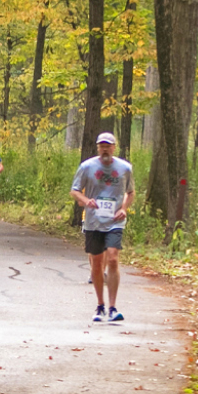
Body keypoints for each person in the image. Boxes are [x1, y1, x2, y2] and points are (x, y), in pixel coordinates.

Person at [70, 132, 135, 323]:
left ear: (114, 148)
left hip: (115, 220)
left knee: (113, 258)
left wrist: (124, 208)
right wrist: (85, 200)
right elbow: (74, 191)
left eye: (108, 146)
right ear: (98, 148)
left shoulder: (124, 168)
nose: (105, 149)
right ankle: (100, 305)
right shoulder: (87, 167)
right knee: (97, 264)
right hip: (93, 221)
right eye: (102, 146)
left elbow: (130, 192)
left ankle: (113, 307)